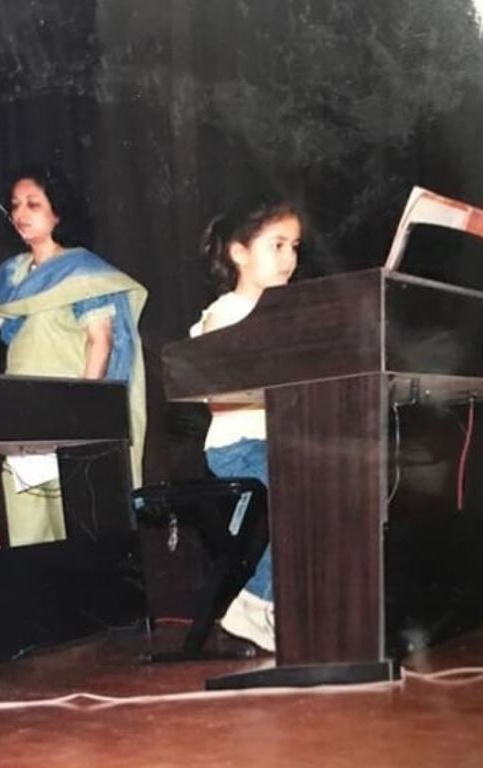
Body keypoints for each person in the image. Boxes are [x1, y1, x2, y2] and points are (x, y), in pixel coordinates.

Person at [0, 165, 147, 547]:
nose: (20, 214)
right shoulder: (10, 277)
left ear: (58, 212)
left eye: (33, 204)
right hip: (19, 416)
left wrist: (80, 414)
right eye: (15, 205)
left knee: (76, 529)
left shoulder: (83, 272)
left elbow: (100, 342)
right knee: (27, 530)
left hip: (65, 416)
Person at [190, 194, 302, 652]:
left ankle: (296, 608)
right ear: (238, 252)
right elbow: (217, 395)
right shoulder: (226, 314)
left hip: (276, 443)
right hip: (238, 446)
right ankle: (252, 606)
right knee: (302, 499)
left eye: (295, 246)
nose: (290, 258)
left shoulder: (285, 319)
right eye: (277, 245)